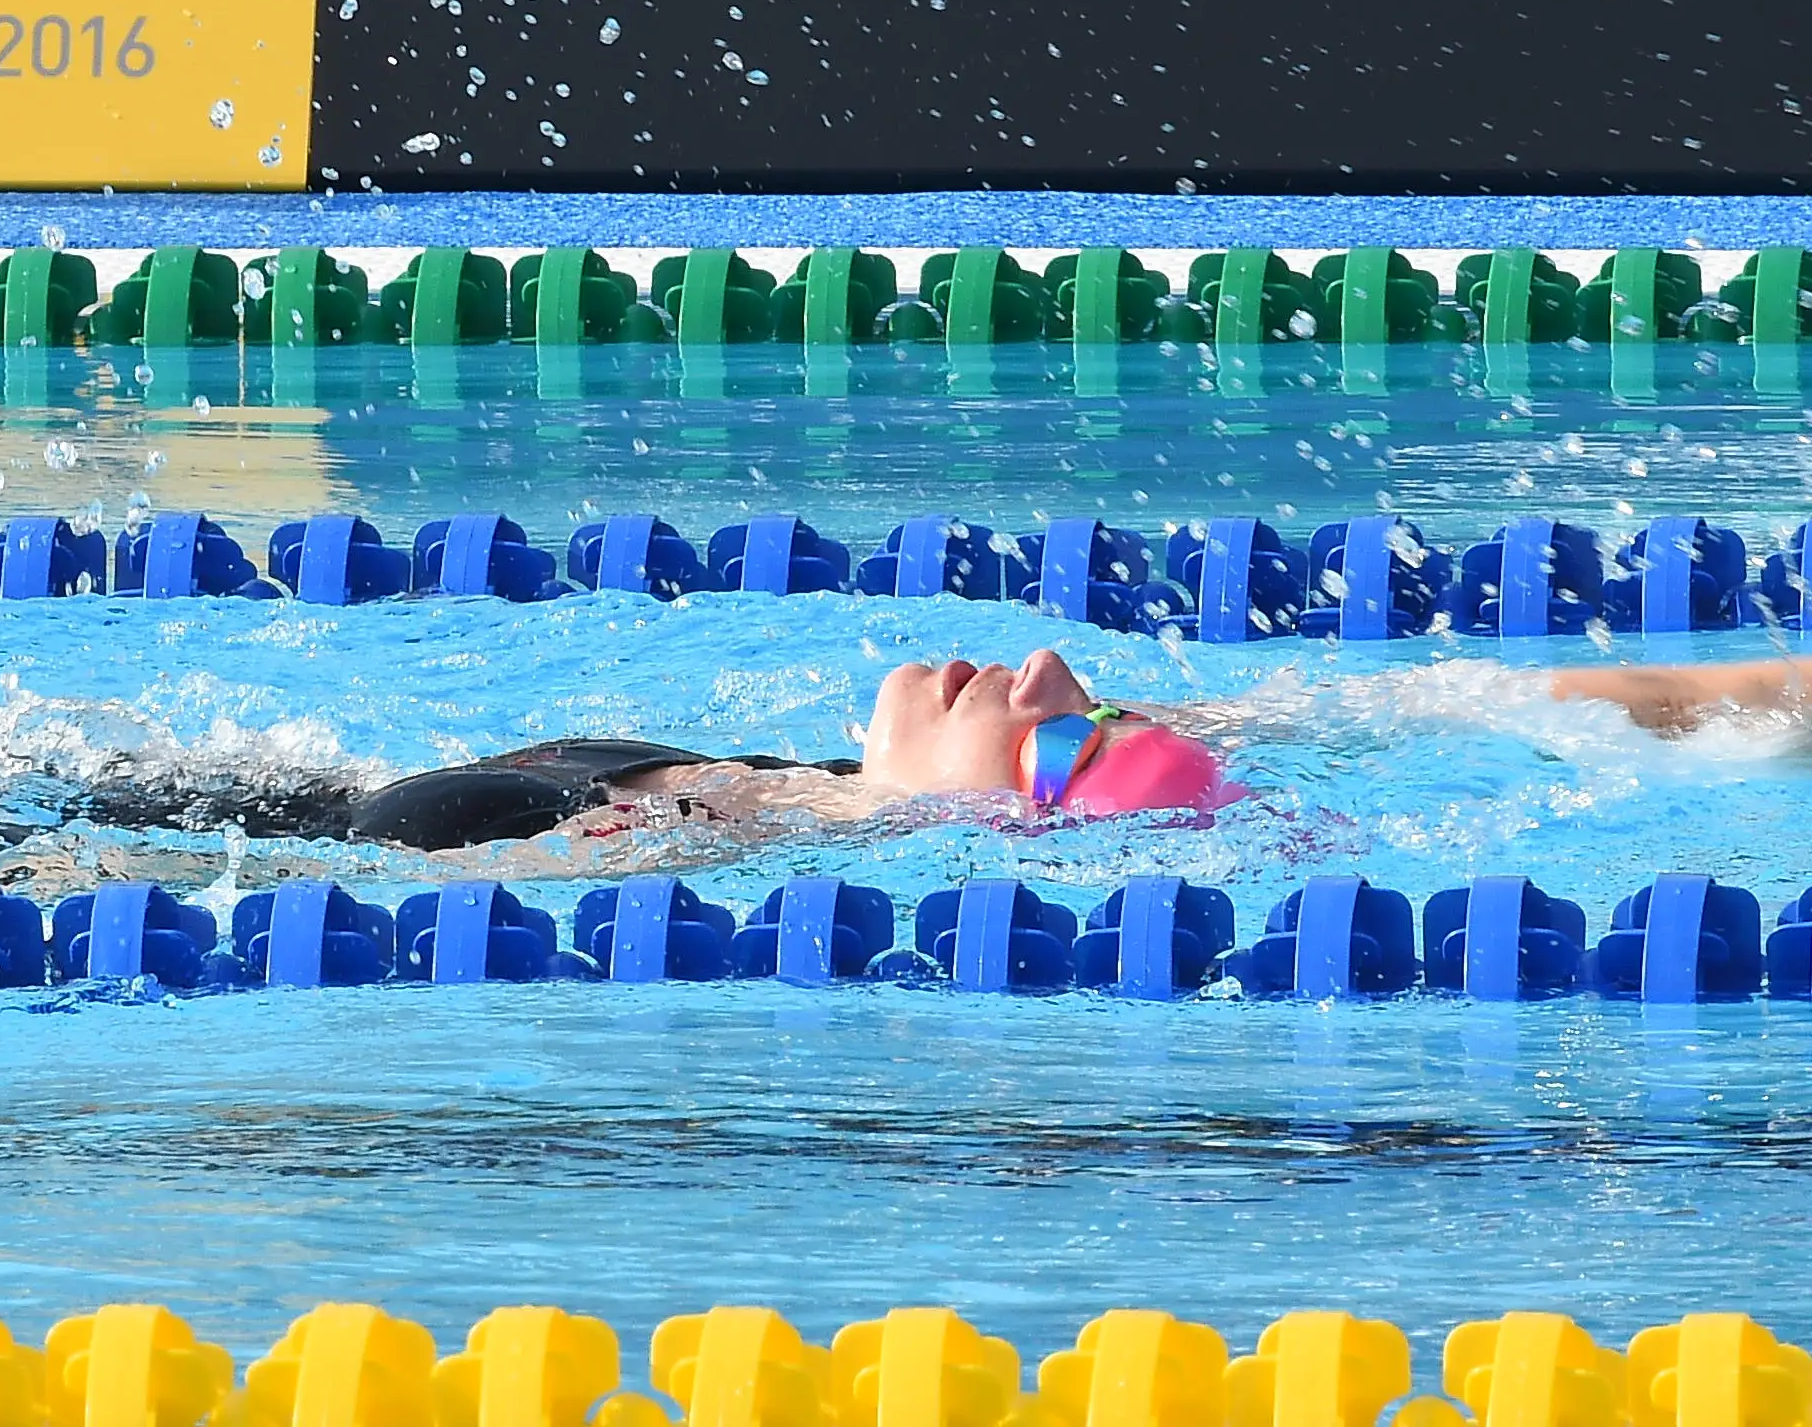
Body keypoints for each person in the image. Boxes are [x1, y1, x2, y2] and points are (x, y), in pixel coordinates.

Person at [341, 646, 1812, 853]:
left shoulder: (672, 854)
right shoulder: (815, 780)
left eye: (1059, 728)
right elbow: (1679, 694)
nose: (1045, 668)